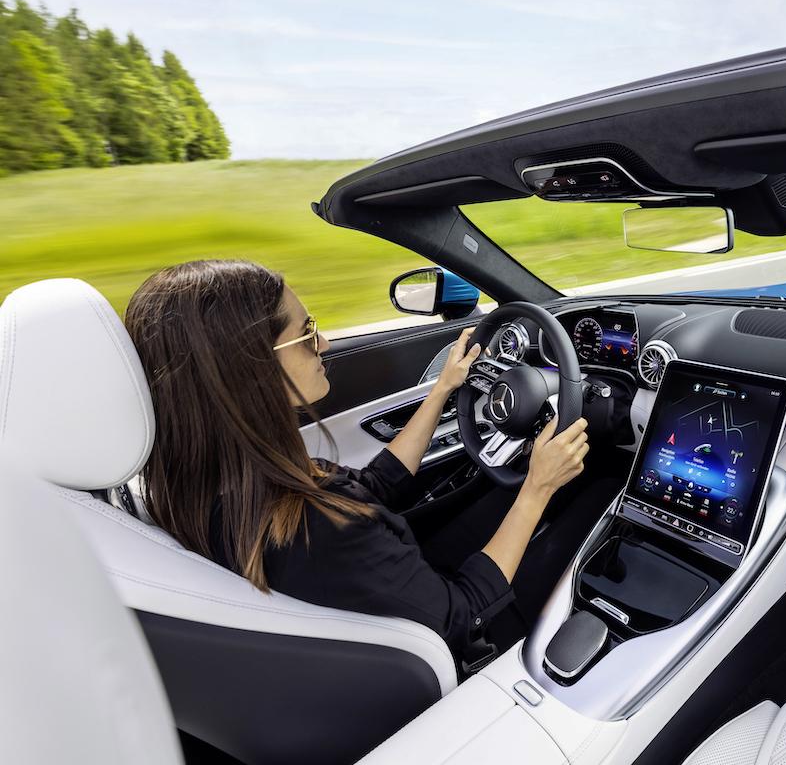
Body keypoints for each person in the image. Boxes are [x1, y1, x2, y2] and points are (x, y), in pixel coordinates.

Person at [124, 259, 591, 657]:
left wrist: (443, 390)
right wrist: (538, 488)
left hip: (408, 592)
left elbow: (371, 487)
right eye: (306, 332)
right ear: (252, 371)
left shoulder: (214, 484)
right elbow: (464, 615)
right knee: (589, 503)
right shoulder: (317, 530)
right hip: (473, 640)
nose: (323, 344)